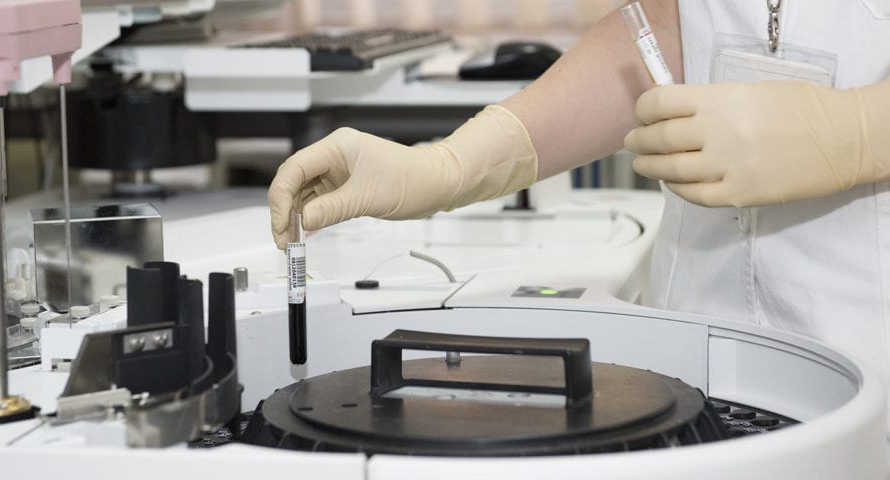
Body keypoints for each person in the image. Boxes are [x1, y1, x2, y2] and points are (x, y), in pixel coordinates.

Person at [268, 0, 890, 394]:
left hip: (869, 349)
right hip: (699, 350)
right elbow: (673, 27)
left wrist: (864, 130)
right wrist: (450, 165)